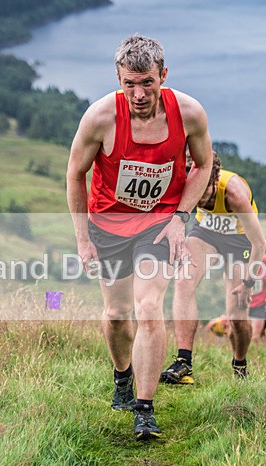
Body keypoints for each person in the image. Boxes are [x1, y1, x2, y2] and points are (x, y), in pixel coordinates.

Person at [66, 34, 212, 440]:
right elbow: (75, 174)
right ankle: (122, 377)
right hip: (108, 224)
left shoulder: (189, 113)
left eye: (147, 82)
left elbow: (202, 165)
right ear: (118, 79)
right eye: (130, 84)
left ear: (163, 75)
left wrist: (181, 217)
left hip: (159, 223)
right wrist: (82, 239)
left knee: (148, 307)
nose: (139, 94)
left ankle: (145, 409)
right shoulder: (100, 117)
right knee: (117, 314)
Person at [161, 150, 266, 383]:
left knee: (236, 315)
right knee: (183, 281)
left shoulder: (234, 193)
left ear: (214, 180)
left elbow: (260, 243)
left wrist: (249, 283)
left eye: (204, 191)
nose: (199, 199)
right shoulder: (185, 183)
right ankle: (184, 362)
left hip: (240, 240)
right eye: (194, 191)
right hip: (206, 232)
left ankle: (239, 364)